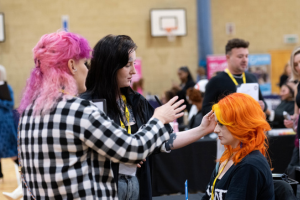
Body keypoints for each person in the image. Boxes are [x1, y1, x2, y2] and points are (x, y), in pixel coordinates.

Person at [18, 31, 216, 200]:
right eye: (84, 63)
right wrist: (159, 118)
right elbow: (133, 149)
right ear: (71, 65)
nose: (87, 69)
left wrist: (199, 130)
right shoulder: (81, 109)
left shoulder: (28, 112)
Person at [81, 34, 216, 200]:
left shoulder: (136, 102)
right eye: (127, 65)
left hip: (136, 182)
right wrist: (126, 155)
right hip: (103, 188)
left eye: (134, 64)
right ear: (110, 67)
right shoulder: (86, 105)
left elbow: (163, 140)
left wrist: (202, 129)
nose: (133, 71)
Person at [202, 93, 274, 200]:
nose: (216, 130)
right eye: (217, 123)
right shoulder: (228, 157)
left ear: (240, 124)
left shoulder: (249, 165)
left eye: (221, 124)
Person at [202, 38, 267, 116]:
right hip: (228, 127)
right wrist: (228, 109)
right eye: (240, 57)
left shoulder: (252, 78)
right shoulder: (216, 81)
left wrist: (263, 106)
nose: (244, 60)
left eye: (246, 56)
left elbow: (263, 102)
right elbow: (205, 109)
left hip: (251, 125)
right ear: (228, 58)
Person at [0, 65, 18, 181]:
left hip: (6, 123)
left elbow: (10, 103)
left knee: (13, 151)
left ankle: (24, 171)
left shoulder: (7, 88)